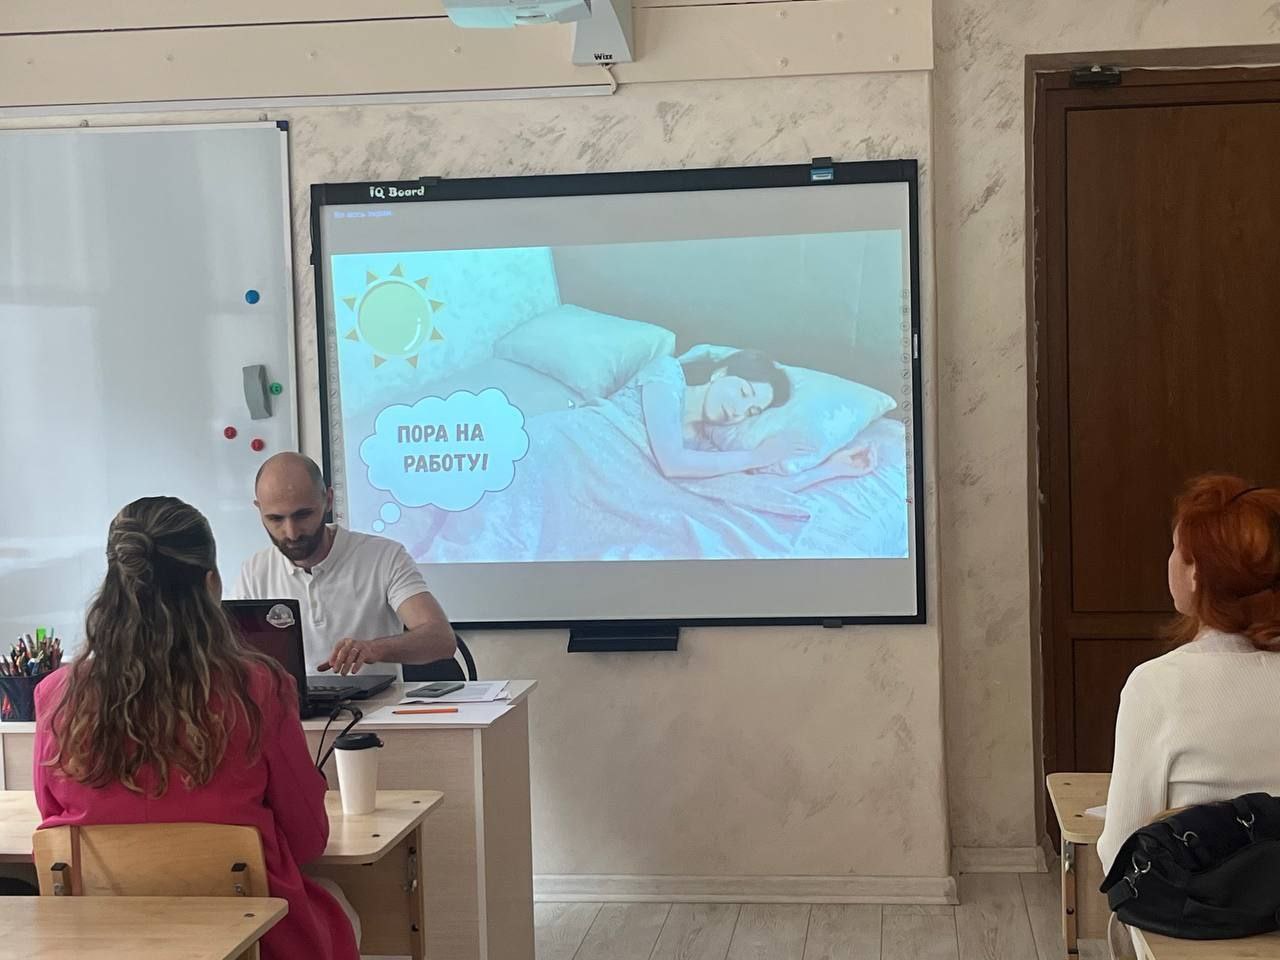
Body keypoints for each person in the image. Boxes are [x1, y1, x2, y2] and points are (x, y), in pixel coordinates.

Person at [33, 496, 359, 960]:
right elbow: (308, 838)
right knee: (342, 904)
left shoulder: (56, 695)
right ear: (210, 584)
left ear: (115, 585)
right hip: (249, 936)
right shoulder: (258, 688)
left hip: (104, 940)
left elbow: (52, 822)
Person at [1098, 474, 1280, 876]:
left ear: (1196, 575)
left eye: (1175, 549)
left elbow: (1121, 853)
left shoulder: (1158, 686)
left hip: (1202, 911)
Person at [237, 452, 455, 676]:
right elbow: (235, 654)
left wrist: (373, 649)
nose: (291, 533)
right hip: (290, 699)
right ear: (259, 510)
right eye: (275, 519)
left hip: (377, 699)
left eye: (303, 515)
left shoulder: (384, 556)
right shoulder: (254, 571)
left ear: (328, 500)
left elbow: (441, 639)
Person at [622, 350, 877, 481]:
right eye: (744, 392)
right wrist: (757, 456)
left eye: (751, 411)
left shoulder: (702, 446)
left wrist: (831, 469)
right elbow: (672, 463)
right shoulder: (666, 375)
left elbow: (748, 490)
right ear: (720, 373)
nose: (738, 411)